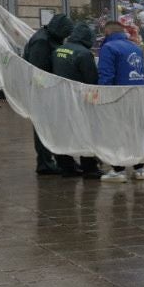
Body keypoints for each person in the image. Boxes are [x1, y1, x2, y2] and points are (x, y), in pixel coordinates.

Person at [97, 17, 144, 182]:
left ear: (107, 32)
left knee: (116, 133)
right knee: (135, 133)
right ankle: (139, 169)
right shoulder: (136, 48)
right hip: (137, 96)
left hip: (118, 97)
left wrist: (103, 97)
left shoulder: (108, 48)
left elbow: (106, 76)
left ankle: (118, 170)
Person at [50, 23, 102, 178]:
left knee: (63, 133)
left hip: (60, 98)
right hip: (79, 100)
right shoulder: (84, 54)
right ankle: (89, 168)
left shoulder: (58, 50)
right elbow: (91, 80)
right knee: (85, 133)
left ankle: (66, 166)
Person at [23, 13, 73, 174]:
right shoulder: (42, 41)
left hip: (48, 91)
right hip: (43, 92)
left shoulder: (48, 37)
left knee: (50, 127)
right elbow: (38, 70)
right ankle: (45, 163)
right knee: (43, 127)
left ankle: (54, 161)